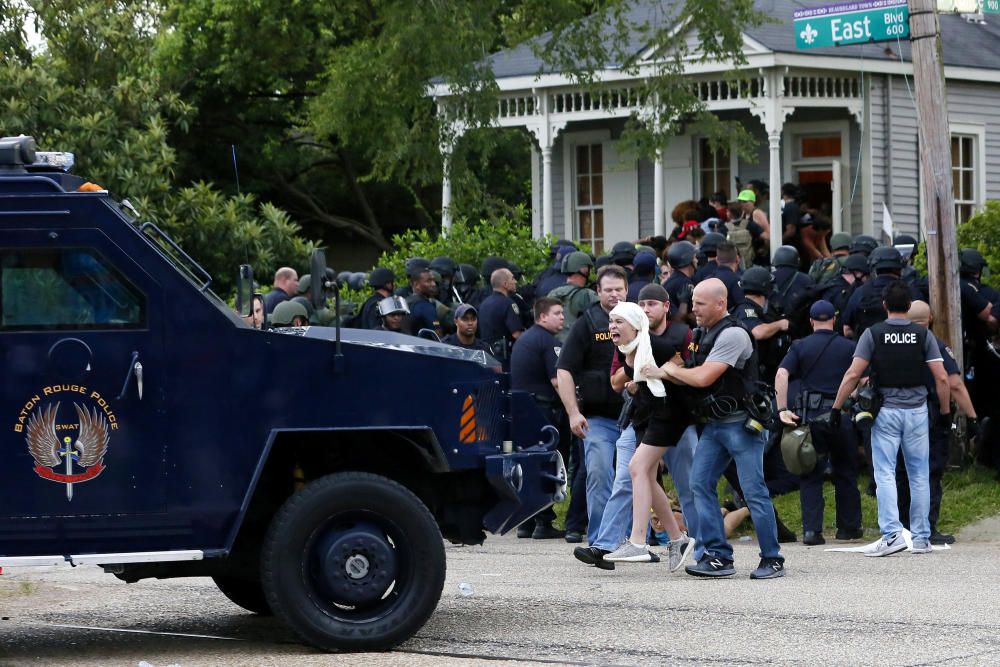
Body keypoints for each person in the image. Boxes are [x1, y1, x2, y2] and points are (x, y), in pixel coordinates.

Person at [658, 278, 785, 579]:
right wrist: (662, 370)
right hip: (714, 425)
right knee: (699, 484)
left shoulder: (734, 335)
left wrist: (670, 370)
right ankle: (717, 556)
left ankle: (772, 558)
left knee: (753, 491)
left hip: (742, 425)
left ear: (720, 303)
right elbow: (688, 372)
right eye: (694, 302)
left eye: (700, 303)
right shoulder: (702, 333)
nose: (694, 309)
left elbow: (702, 378)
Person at [574, 284, 698, 571]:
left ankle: (638, 542)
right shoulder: (627, 348)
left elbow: (683, 373)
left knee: (636, 469)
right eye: (610, 321)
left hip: (669, 414)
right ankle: (678, 539)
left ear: (636, 325)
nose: (612, 327)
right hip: (643, 415)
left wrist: (662, 372)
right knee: (646, 477)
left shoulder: (655, 344)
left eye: (619, 322)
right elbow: (620, 382)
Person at [831, 281, 950, 556]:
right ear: (909, 306)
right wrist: (944, 412)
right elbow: (942, 377)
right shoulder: (923, 336)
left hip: (885, 411)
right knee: (919, 474)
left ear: (884, 305)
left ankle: (892, 534)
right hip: (918, 409)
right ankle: (921, 538)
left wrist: (837, 408)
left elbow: (852, 374)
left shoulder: (873, 334)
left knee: (884, 473)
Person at [776, 300, 862, 545]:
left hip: (811, 418)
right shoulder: (849, 347)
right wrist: (851, 396)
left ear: (811, 321)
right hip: (841, 415)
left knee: (810, 473)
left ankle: (812, 532)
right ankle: (849, 528)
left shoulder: (800, 346)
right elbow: (862, 378)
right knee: (846, 472)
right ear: (834, 320)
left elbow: (782, 374)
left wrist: (782, 408)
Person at [556, 264, 628, 546]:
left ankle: (637, 539)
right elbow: (564, 370)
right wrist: (573, 413)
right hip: (597, 419)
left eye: (618, 289)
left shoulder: (639, 320)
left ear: (627, 290)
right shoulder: (586, 323)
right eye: (608, 290)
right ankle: (601, 541)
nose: (613, 295)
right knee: (599, 476)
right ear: (597, 291)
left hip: (635, 418)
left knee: (636, 479)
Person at [895, 301, 977, 545]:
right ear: (930, 318)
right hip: (928, 415)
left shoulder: (892, 344)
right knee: (929, 471)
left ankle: (902, 527)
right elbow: (953, 384)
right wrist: (970, 416)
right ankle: (927, 526)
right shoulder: (935, 345)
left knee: (901, 472)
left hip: (897, 414)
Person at [511, 297, 567, 539]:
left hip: (523, 410)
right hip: (543, 410)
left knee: (527, 462)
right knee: (546, 463)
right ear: (543, 316)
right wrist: (574, 409)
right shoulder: (549, 342)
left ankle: (526, 522)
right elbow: (557, 382)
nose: (562, 317)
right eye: (557, 313)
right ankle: (544, 521)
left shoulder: (524, 340)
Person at [841, 246, 921, 340]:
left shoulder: (860, 292)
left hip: (869, 351)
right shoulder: (911, 291)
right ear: (900, 268)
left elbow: (846, 330)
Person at [735, 266, 791, 385]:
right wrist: (780, 324)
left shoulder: (763, 310)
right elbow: (758, 332)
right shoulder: (745, 309)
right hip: (753, 377)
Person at [478, 268, 525, 369]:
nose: (515, 281)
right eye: (512, 279)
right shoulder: (508, 303)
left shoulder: (484, 304)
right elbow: (517, 334)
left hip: (487, 357)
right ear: (505, 284)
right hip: (505, 358)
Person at [548, 251, 598, 342]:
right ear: (584, 270)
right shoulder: (588, 295)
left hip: (555, 346)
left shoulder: (552, 293)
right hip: (579, 347)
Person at [663, 240, 697, 323]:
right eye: (694, 257)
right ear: (688, 260)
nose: (697, 260)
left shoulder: (670, 282)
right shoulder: (685, 284)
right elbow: (693, 315)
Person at [405, 267, 441, 336]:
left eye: (433, 280)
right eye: (429, 281)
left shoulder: (406, 301)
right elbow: (437, 334)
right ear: (416, 285)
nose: (434, 284)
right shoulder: (425, 306)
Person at [713, 242, 744, 312]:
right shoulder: (736, 280)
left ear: (717, 260)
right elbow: (742, 304)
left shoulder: (707, 280)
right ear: (738, 259)